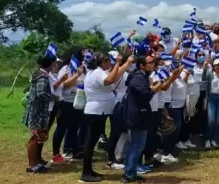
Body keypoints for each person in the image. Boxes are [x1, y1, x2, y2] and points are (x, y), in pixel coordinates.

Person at [80, 52, 132, 182]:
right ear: (103, 63)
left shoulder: (95, 72)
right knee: (90, 142)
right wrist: (119, 63)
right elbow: (109, 80)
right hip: (96, 111)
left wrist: (125, 64)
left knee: (91, 141)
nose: (111, 64)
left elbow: (114, 77)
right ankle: (85, 173)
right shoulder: (98, 73)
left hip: (99, 111)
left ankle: (89, 170)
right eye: (109, 62)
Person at [121, 55, 157, 183]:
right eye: (150, 63)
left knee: (135, 145)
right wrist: (154, 89)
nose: (153, 65)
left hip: (138, 115)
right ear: (142, 65)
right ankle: (129, 173)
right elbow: (146, 95)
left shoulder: (141, 77)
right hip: (137, 116)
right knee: (137, 145)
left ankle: (130, 171)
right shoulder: (138, 78)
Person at [24, 55, 58, 173]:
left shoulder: (39, 74)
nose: (55, 66)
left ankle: (35, 163)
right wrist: (54, 97)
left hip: (37, 111)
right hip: (37, 112)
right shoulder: (42, 76)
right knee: (34, 139)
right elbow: (41, 93)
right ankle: (32, 166)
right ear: (50, 64)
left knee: (37, 138)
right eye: (54, 63)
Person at [51, 49, 85, 164]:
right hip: (65, 102)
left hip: (77, 102)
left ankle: (74, 150)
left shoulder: (82, 69)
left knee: (74, 128)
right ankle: (57, 153)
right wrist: (77, 75)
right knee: (61, 128)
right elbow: (63, 86)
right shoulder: (66, 69)